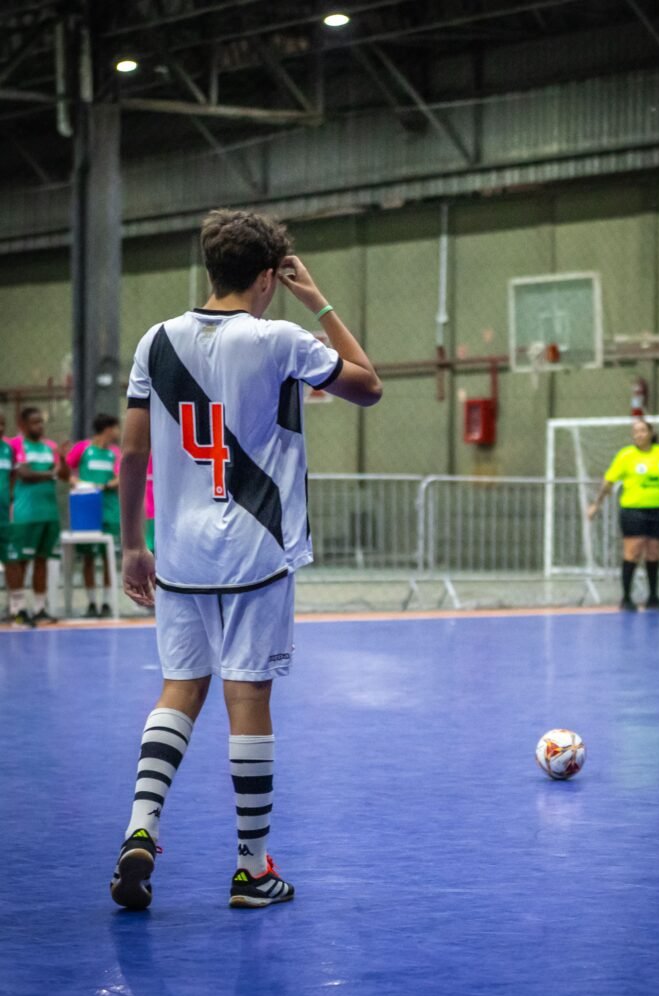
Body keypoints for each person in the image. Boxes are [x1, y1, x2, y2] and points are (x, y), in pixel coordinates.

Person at [111, 208, 382, 911]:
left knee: (178, 689)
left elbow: (132, 451)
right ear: (268, 276)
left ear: (210, 268)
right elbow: (365, 383)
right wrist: (315, 298)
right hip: (257, 550)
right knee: (247, 695)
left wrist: (132, 544)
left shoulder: (154, 342)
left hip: (179, 552)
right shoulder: (280, 338)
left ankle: (140, 830)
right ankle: (251, 868)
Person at [587, 418, 659, 611]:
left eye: (642, 430)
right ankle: (626, 598)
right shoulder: (626, 455)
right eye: (635, 432)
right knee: (633, 551)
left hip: (658, 509)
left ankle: (653, 597)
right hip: (633, 510)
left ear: (651, 433)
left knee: (654, 552)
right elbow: (608, 481)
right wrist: (596, 503)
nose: (639, 434)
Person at [7, 407, 69, 627]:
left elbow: (64, 475)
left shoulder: (50, 446)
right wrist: (50, 472)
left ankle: (40, 608)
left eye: (41, 422)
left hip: (49, 513)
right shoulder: (16, 444)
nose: (40, 426)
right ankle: (17, 609)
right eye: (34, 423)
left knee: (42, 561)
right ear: (23, 425)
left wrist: (61, 459)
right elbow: (24, 473)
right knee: (20, 561)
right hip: (25, 514)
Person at [66, 413, 121, 618]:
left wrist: (105, 485)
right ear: (107, 429)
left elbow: (120, 476)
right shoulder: (82, 448)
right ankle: (91, 603)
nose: (118, 432)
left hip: (110, 509)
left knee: (109, 558)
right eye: (116, 428)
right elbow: (67, 473)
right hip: (87, 511)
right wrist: (79, 484)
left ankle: (106, 603)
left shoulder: (114, 452)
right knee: (88, 558)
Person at [0, 411, 14, 621]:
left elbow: (11, 478)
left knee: (12, 561)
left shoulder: (7, 449)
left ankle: (15, 607)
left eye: (2, 424)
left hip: (4, 515)